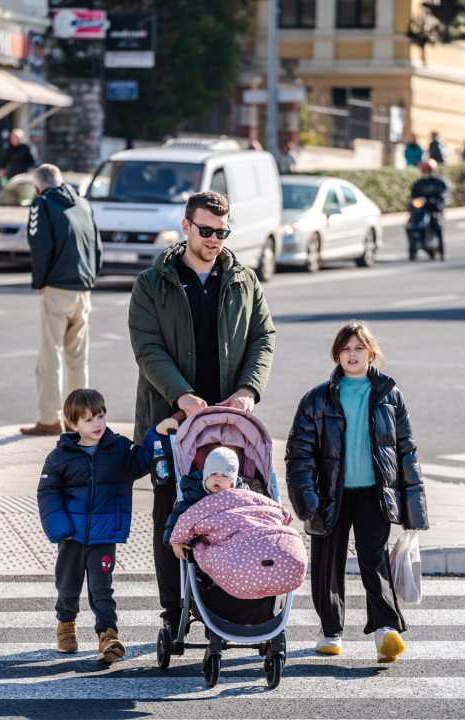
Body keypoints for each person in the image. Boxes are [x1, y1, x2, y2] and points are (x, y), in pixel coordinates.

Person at [127, 190, 276, 635]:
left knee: (234, 516)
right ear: (186, 226)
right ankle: (175, 612)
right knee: (170, 515)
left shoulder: (245, 280)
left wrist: (249, 389)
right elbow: (147, 347)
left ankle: (225, 607)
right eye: (206, 230)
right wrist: (183, 396)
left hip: (230, 425)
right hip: (173, 422)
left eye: (222, 232)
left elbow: (263, 339)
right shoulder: (153, 283)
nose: (214, 239)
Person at [285, 321, 428, 664]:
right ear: (336, 354)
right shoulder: (316, 399)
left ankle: (386, 632)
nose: (353, 354)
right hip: (329, 495)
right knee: (327, 564)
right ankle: (330, 632)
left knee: (373, 560)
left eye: (359, 348)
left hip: (374, 494)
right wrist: (307, 500)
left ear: (371, 353)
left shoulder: (390, 395)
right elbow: (299, 453)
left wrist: (414, 509)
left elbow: (406, 450)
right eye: (346, 348)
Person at [37, 388, 178, 663]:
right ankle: (66, 623)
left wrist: (156, 433)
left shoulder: (119, 449)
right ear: (73, 424)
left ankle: (108, 636)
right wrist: (59, 528)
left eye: (101, 416)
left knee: (102, 589)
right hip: (71, 538)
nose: (98, 424)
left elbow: (142, 461)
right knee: (68, 587)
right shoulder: (60, 457)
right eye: (89, 419)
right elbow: (48, 493)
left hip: (104, 536)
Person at [165, 447, 306, 624]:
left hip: (250, 543)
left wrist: (280, 515)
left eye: (224, 475)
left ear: (232, 482)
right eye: (213, 473)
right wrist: (175, 541)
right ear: (204, 477)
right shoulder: (194, 498)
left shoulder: (246, 495)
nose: (218, 478)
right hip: (225, 547)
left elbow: (265, 506)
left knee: (274, 547)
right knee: (219, 554)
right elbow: (182, 520)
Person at [22, 164, 102, 436]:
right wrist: (90, 279)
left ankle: (49, 419)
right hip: (83, 289)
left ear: (37, 186)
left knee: (50, 356)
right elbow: (96, 245)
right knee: (78, 359)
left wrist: (39, 281)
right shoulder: (82, 202)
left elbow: (39, 245)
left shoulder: (41, 203)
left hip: (56, 287)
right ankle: (82, 421)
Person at [410, 159, 450, 258]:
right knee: (410, 224)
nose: (426, 173)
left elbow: (443, 196)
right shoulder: (419, 183)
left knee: (436, 224)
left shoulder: (439, 182)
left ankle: (441, 248)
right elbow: (413, 196)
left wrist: (436, 202)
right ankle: (413, 247)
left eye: (428, 171)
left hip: (434, 209)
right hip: (421, 210)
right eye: (424, 171)